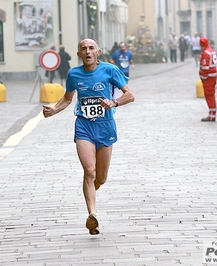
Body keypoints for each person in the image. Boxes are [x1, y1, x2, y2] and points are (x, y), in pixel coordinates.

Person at [42, 38, 135, 235]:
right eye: (83, 49)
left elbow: (130, 95)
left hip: (106, 127)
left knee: (100, 178)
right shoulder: (74, 74)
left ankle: (91, 192)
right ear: (78, 54)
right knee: (89, 170)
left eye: (91, 48)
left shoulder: (110, 70)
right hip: (84, 126)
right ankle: (92, 215)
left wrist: (114, 103)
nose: (87, 51)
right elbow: (67, 99)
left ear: (98, 52)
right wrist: (52, 110)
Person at [199, 37, 217, 122]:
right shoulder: (211, 50)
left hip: (209, 77)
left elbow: (205, 67)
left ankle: (211, 115)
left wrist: (203, 77)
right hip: (214, 75)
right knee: (212, 94)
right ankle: (212, 113)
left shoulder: (205, 53)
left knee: (209, 95)